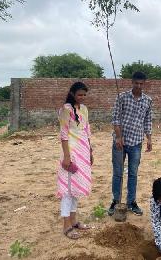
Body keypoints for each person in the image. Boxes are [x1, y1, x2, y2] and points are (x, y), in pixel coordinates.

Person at [108, 71, 153, 216]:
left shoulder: (148, 100)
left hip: (136, 142)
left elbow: (147, 121)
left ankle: (131, 202)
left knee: (133, 174)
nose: (139, 86)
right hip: (120, 142)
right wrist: (119, 137)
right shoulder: (121, 97)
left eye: (141, 84)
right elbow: (115, 119)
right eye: (136, 83)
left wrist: (149, 138)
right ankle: (116, 201)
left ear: (144, 84)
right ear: (132, 82)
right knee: (118, 173)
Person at [56, 81, 94, 239]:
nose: (82, 97)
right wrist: (66, 157)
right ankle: (66, 226)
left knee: (76, 188)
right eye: (79, 94)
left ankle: (74, 221)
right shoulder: (66, 109)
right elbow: (64, 134)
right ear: (72, 94)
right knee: (67, 190)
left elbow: (87, 130)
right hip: (70, 152)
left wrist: (90, 151)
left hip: (83, 152)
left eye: (84, 94)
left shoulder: (83, 109)